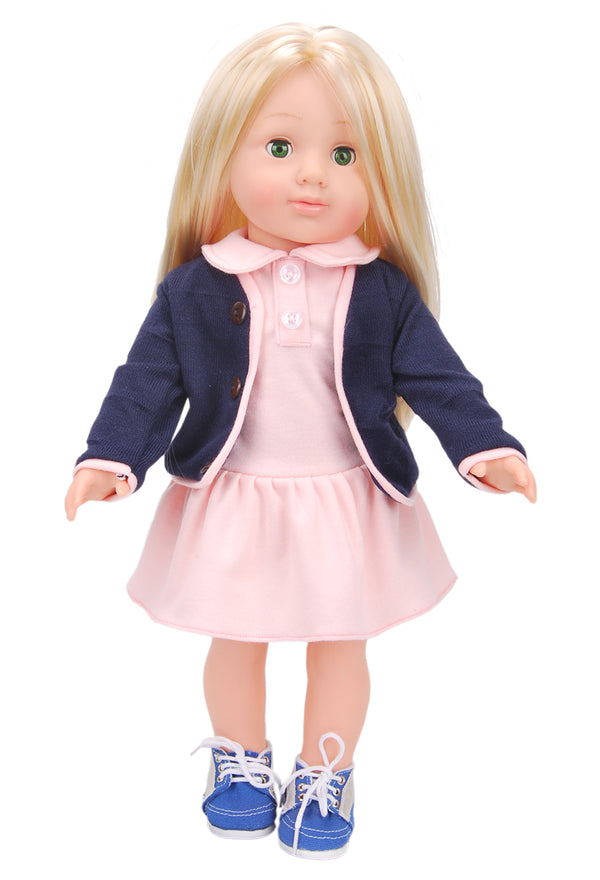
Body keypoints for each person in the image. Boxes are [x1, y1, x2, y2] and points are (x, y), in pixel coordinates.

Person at [65, 24, 536, 860]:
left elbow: (440, 377)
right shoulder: (194, 288)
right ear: (222, 158)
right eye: (281, 147)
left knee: (339, 647)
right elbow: (145, 382)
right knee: (235, 639)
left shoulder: (381, 289)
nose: (313, 174)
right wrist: (111, 458)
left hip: (344, 499)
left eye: (345, 155)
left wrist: (484, 446)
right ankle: (242, 763)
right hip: (235, 497)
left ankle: (327, 772)